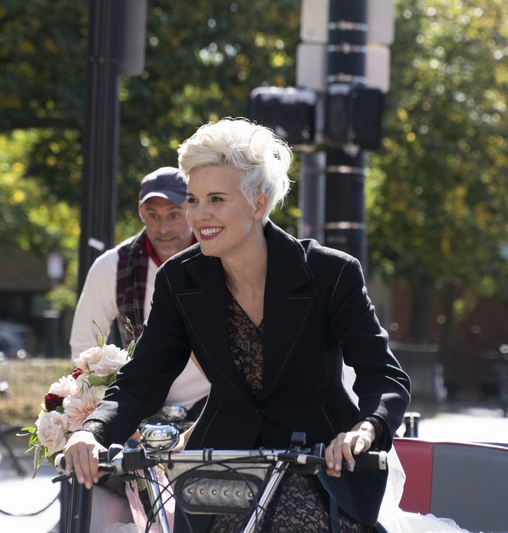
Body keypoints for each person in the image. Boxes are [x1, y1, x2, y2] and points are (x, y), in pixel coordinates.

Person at [63, 118, 411, 532]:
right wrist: (92, 432)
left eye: (216, 199)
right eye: (193, 200)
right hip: (222, 469)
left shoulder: (330, 273)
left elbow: (384, 376)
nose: (199, 215)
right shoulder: (180, 280)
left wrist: (366, 429)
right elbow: (142, 379)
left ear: (258, 204)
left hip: (321, 466)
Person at [69, 166, 211, 530]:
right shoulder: (113, 266)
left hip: (208, 408)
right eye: (153, 215)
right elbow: (83, 347)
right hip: (139, 412)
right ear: (140, 213)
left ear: (192, 209)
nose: (164, 228)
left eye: (174, 214)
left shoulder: (219, 258)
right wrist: (110, 413)